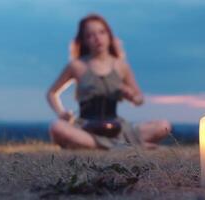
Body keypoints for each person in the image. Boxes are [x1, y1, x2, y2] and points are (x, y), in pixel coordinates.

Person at [47, 14, 171, 150]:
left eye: (101, 32)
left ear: (109, 35)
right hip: (86, 127)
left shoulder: (120, 65)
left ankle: (104, 146)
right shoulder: (77, 65)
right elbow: (51, 93)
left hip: (116, 128)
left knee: (164, 126)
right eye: (90, 35)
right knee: (57, 127)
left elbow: (139, 99)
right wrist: (61, 113)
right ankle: (125, 146)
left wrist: (131, 96)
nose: (97, 38)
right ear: (84, 40)